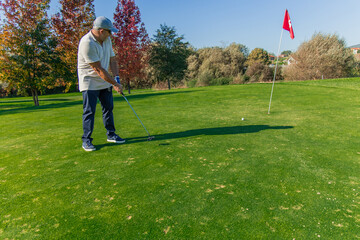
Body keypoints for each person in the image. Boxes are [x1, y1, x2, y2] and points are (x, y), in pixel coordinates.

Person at [78, 16, 124, 151]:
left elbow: (113, 59)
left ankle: (111, 134)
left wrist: (116, 78)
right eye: (109, 32)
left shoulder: (107, 39)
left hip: (105, 80)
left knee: (108, 108)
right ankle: (86, 140)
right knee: (89, 111)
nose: (111, 34)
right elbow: (98, 69)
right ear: (101, 31)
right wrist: (115, 84)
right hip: (89, 81)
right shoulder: (87, 43)